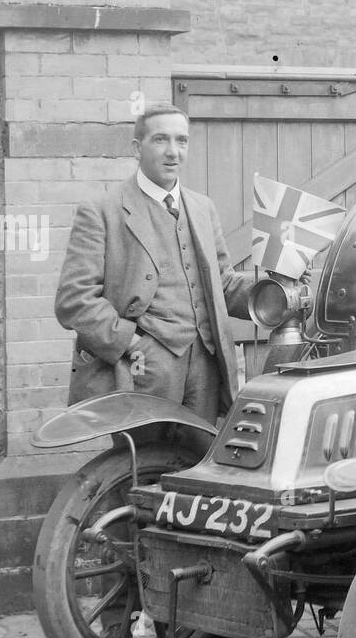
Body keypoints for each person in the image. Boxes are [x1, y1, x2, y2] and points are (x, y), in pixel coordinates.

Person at [55, 103, 254, 424]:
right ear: (137, 148)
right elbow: (73, 302)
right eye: (161, 140)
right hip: (141, 369)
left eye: (182, 141)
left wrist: (274, 289)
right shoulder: (103, 211)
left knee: (198, 466)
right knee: (142, 465)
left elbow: (224, 286)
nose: (173, 152)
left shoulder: (203, 208)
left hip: (205, 367)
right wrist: (132, 343)